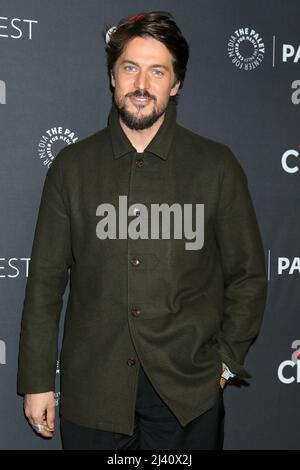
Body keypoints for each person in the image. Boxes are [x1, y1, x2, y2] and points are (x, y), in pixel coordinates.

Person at [17, 11, 268, 450]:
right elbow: (45, 284)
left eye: (158, 71)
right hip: (92, 392)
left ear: (175, 85)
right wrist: (38, 381)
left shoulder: (216, 167)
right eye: (130, 67)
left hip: (187, 397)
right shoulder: (72, 168)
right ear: (113, 76)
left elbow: (248, 275)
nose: (141, 84)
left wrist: (224, 365)